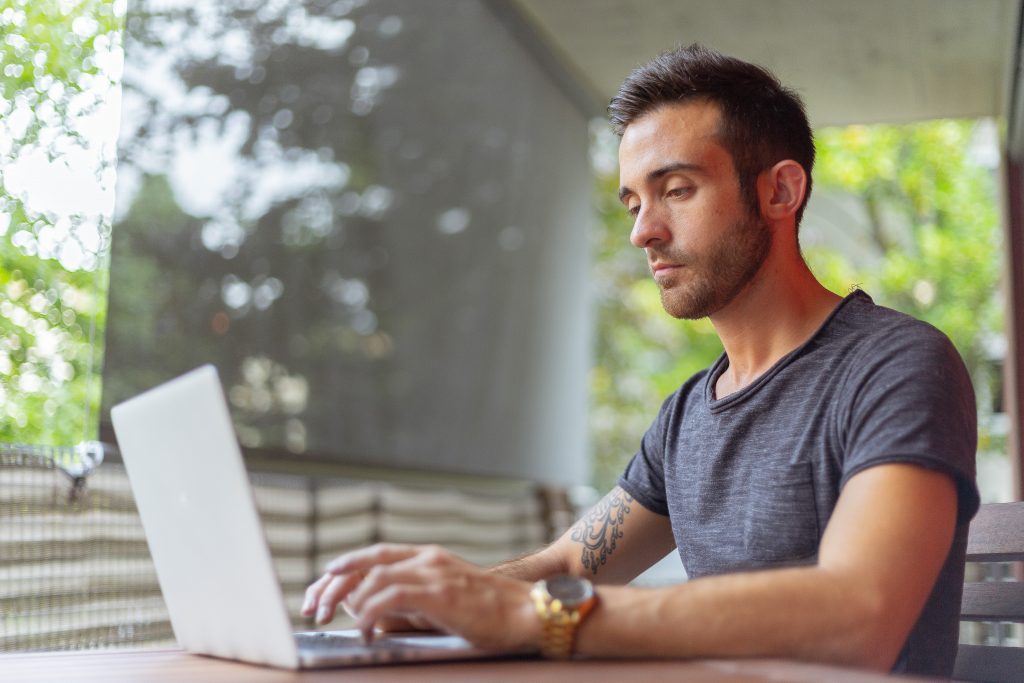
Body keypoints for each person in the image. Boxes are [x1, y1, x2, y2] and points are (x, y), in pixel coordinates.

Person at [302, 44, 979, 677]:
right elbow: (574, 560)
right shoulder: (689, 411)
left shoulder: (896, 364)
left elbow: (860, 612)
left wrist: (528, 615)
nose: (642, 231)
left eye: (677, 189)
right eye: (633, 201)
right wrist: (442, 593)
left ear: (779, 191)